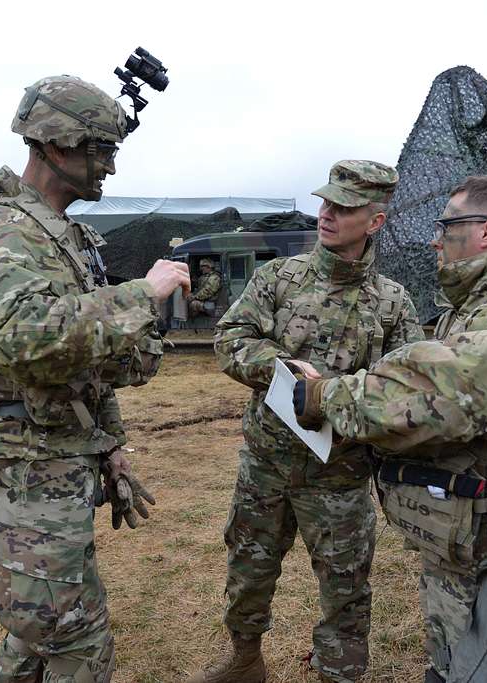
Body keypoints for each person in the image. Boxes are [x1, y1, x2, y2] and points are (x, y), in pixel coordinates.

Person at [294, 175, 487, 682]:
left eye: (447, 225)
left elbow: (437, 397)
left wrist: (323, 396)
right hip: (482, 550)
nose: (434, 239)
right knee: (457, 661)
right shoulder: (486, 307)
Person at [0, 74, 189, 682]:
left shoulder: (59, 235)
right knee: (74, 636)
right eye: (99, 150)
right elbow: (27, 340)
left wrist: (110, 446)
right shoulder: (2, 233)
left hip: (56, 458)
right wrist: (142, 294)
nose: (108, 166)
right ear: (55, 147)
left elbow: (83, 366)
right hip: (27, 467)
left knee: (37, 633)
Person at [198, 160, 425, 683]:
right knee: (248, 569)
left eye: (344, 208)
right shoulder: (278, 278)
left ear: (375, 222)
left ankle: (339, 673)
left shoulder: (392, 303)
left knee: (346, 587)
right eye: (326, 202)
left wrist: (342, 399)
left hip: (339, 476)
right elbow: (231, 339)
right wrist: (279, 368)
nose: (327, 214)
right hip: (266, 466)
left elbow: (404, 390)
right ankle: (245, 660)